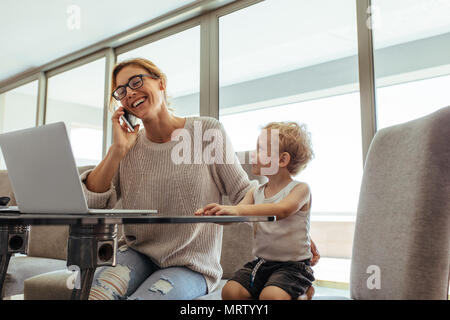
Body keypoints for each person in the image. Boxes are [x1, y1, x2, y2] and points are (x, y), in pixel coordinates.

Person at [81, 57, 320, 300]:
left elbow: (244, 194)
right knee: (93, 295)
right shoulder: (128, 146)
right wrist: (117, 150)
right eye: (121, 91)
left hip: (191, 265)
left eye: (136, 81)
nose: (130, 93)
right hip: (136, 253)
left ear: (160, 82)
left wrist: (293, 229)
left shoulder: (207, 132)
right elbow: (93, 204)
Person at [196, 121, 316, 300]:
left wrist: (237, 210)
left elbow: (281, 210)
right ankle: (273, 289)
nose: (253, 153)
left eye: (260, 149)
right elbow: (237, 214)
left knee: (271, 297)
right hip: (262, 263)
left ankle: (304, 293)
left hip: (293, 266)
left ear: (282, 160)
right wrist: (216, 214)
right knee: (230, 292)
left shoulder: (300, 189)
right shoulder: (255, 192)